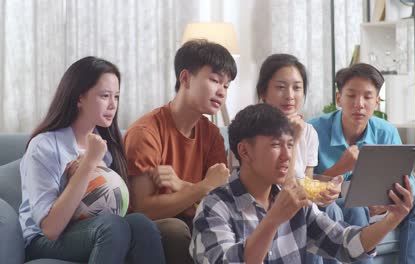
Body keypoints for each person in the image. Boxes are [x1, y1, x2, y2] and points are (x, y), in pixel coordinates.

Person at [190, 103, 415, 263]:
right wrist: (272, 221)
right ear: (244, 151)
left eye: (290, 145)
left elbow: (347, 244)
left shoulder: (293, 202)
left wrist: (392, 219)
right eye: (276, 145)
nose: (287, 156)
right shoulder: (214, 207)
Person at [19, 56, 166, 264]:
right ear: (79, 98)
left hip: (93, 229)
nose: (112, 105)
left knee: (141, 224)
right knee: (112, 226)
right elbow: (50, 228)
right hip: (43, 241)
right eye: (105, 96)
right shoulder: (44, 146)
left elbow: (114, 208)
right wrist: (88, 163)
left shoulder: (107, 146)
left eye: (116, 97)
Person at [308, 63, 415, 264]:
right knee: (355, 207)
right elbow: (306, 186)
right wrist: (342, 167)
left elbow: (407, 180)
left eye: (368, 97)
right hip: (337, 207)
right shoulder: (313, 130)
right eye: (351, 95)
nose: (359, 104)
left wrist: (387, 202)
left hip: (381, 204)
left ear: (377, 101)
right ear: (338, 98)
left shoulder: (386, 131)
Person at [123, 39, 236, 263]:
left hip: (197, 220)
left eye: (226, 85)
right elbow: (144, 210)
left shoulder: (212, 135)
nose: (221, 92)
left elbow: (219, 202)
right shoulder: (146, 132)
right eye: (214, 80)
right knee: (175, 229)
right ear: (185, 78)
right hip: (150, 228)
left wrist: (182, 186)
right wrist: (202, 187)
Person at [256, 54, 342, 264]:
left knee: (332, 207)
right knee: (311, 211)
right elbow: (278, 187)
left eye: (297, 88)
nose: (290, 96)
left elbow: (305, 181)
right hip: (267, 204)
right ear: (263, 93)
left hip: (299, 202)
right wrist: (293, 138)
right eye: (281, 87)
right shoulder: (252, 131)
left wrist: (325, 191)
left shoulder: (309, 132)